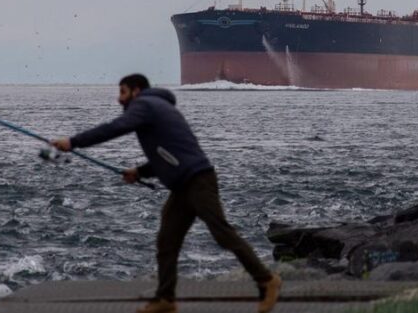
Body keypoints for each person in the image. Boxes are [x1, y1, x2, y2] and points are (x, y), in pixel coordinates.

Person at [51, 74, 281, 313]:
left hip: (197, 182)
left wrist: (73, 141)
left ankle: (267, 280)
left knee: (222, 233)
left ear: (136, 91)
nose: (119, 99)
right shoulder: (157, 107)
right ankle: (166, 299)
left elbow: (117, 127)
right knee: (167, 241)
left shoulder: (145, 105)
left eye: (123, 92)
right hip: (183, 185)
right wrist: (140, 172)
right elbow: (167, 154)